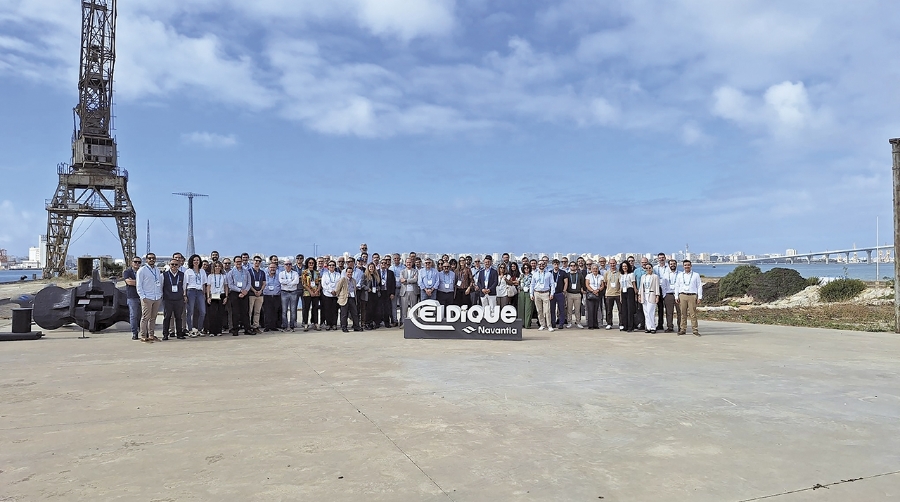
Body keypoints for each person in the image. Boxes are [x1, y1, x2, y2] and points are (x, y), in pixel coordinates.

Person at [136, 253, 162, 342]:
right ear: (146, 260)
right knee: (145, 317)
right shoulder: (142, 270)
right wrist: (142, 296)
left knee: (153, 317)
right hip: (147, 297)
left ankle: (151, 335)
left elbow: (159, 283)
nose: (152, 260)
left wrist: (159, 295)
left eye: (153, 258)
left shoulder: (157, 270)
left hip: (156, 297)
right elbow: (139, 285)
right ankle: (143, 335)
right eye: (150, 258)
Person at [226, 255, 253, 336]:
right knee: (235, 312)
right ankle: (235, 329)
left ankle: (247, 329)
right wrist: (240, 290)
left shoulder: (246, 272)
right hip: (235, 293)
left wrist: (245, 291)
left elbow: (249, 283)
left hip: (245, 293)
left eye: (240, 261)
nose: (239, 263)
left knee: (245, 312)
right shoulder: (231, 273)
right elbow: (230, 285)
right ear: (234, 263)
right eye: (237, 262)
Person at [675, 260, 703, 336]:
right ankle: (683, 329)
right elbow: (677, 286)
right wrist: (676, 296)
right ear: (683, 266)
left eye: (688, 265)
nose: (687, 266)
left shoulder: (696, 275)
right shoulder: (680, 275)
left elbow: (699, 286)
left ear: (691, 266)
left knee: (693, 314)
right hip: (682, 295)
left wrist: (699, 297)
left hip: (692, 295)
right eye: (685, 265)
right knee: (683, 314)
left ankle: (695, 330)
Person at [161, 259, 187, 340]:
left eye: (176, 264)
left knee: (178, 317)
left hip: (178, 299)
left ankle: (179, 334)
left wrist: (184, 296)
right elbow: (161, 287)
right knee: (167, 317)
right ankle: (165, 334)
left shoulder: (182, 275)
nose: (174, 266)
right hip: (168, 299)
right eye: (172, 264)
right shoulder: (164, 275)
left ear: (179, 265)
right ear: (169, 265)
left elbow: (184, 287)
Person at [184, 254, 207, 337]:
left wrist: (204, 294)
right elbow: (185, 284)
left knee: (203, 311)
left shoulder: (202, 271)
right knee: (190, 311)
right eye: (194, 260)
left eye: (197, 260)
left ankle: (200, 329)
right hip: (191, 291)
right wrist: (185, 295)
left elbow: (204, 284)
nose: (196, 262)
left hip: (200, 291)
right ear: (191, 262)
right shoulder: (188, 271)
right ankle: (190, 330)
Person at [529, 258, 555, 332]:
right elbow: (532, 284)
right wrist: (531, 294)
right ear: (537, 265)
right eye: (539, 264)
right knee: (539, 310)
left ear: (545, 265)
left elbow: (552, 284)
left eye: (542, 264)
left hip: (546, 293)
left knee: (547, 311)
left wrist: (552, 293)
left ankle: (549, 325)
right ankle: (542, 325)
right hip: (537, 293)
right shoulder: (535, 274)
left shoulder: (549, 274)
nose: (541, 265)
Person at [336, 265, 362, 332]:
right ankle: (344, 327)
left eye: (351, 272)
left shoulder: (353, 280)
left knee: (355, 313)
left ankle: (356, 326)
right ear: (346, 273)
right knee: (344, 314)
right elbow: (338, 288)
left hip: (352, 298)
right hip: (344, 298)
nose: (350, 274)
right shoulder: (343, 279)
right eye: (348, 272)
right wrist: (338, 296)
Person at [122, 255, 142, 340]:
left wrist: (135, 282)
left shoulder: (142, 271)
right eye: (135, 262)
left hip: (142, 296)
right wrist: (141, 282)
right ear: (131, 263)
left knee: (143, 316)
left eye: (139, 262)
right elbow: (129, 282)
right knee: (133, 315)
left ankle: (144, 332)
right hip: (132, 296)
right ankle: (135, 333)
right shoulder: (127, 272)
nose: (137, 263)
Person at [206, 261, 227, 336]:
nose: (217, 268)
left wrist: (226, 297)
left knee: (220, 313)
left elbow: (225, 286)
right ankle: (212, 331)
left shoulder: (224, 276)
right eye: (216, 266)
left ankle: (219, 330)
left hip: (221, 295)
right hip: (213, 295)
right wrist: (208, 297)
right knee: (212, 314)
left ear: (221, 267)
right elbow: (208, 286)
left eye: (219, 266)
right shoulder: (210, 276)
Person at [659, 259, 680, 333]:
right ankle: (670, 327)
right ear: (669, 265)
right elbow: (663, 286)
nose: (673, 265)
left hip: (678, 295)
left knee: (679, 312)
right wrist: (664, 295)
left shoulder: (680, 274)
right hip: (669, 295)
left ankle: (681, 327)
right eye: (671, 264)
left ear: (676, 264)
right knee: (669, 312)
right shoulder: (666, 274)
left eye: (674, 264)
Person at [320, 260, 341, 331]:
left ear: (335, 266)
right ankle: (328, 324)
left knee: (335, 310)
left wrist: (335, 291)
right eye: (330, 265)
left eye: (333, 265)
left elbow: (339, 284)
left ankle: (334, 324)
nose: (331, 266)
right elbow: (323, 284)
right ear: (328, 267)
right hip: (327, 294)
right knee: (327, 310)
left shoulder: (338, 274)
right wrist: (330, 290)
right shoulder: (325, 274)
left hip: (335, 294)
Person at [247, 255, 266, 334]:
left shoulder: (262, 272)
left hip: (260, 294)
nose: (257, 262)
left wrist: (261, 290)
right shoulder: (249, 271)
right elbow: (248, 283)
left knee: (257, 311)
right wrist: (254, 291)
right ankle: (248, 327)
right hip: (251, 294)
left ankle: (256, 326)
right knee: (249, 311)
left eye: (259, 261)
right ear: (253, 261)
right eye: (256, 261)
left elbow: (264, 283)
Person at [638, 262, 659, 333]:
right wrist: (640, 295)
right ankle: (648, 327)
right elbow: (641, 287)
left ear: (652, 269)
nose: (648, 269)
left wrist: (657, 296)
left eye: (649, 268)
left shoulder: (655, 276)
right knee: (646, 312)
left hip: (652, 294)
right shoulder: (643, 277)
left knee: (651, 311)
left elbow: (657, 287)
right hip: (644, 295)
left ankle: (653, 327)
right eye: (646, 268)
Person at [278, 259, 299, 331]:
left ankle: (292, 326)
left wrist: (287, 283)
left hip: (293, 292)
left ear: (291, 265)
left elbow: (296, 281)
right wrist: (291, 282)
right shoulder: (281, 273)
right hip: (284, 292)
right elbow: (281, 281)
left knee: (293, 310)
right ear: (284, 265)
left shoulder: (295, 273)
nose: (288, 266)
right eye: (286, 264)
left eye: (289, 264)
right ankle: (285, 325)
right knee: (284, 310)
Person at [301, 258, 321, 332]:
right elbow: (304, 283)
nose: (311, 264)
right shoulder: (304, 272)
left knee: (315, 308)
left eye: (312, 263)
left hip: (316, 292)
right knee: (306, 308)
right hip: (307, 293)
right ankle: (305, 323)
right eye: (309, 263)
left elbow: (319, 283)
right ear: (307, 264)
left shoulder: (317, 272)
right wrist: (310, 292)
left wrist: (317, 290)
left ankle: (315, 323)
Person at [376, 258, 397, 328]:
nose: (383, 265)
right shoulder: (377, 272)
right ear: (380, 264)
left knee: (387, 308)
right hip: (379, 292)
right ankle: (378, 323)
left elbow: (393, 284)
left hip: (387, 292)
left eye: (385, 263)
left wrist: (392, 293)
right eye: (382, 263)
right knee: (379, 308)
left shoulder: (390, 273)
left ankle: (387, 323)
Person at [262, 261, 282, 332]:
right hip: (267, 295)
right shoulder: (264, 275)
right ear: (268, 268)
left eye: (274, 267)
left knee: (275, 311)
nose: (272, 269)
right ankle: (267, 326)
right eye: (271, 267)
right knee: (267, 312)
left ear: (276, 268)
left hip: (276, 296)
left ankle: (273, 326)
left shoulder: (279, 275)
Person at [619, 261, 637, 332]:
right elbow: (620, 286)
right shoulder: (621, 275)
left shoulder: (631, 274)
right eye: (623, 266)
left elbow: (633, 284)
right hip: (623, 291)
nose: (624, 268)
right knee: (624, 309)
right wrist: (620, 296)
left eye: (626, 266)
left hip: (630, 290)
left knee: (630, 309)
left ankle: (630, 326)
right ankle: (625, 325)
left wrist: (636, 294)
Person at [565, 261, 584, 328]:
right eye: (571, 265)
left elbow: (582, 283)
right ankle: (569, 322)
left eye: (574, 265)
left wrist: (582, 290)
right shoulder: (567, 274)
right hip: (569, 294)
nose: (573, 267)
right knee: (569, 309)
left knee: (577, 309)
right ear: (569, 267)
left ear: (576, 266)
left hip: (577, 294)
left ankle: (578, 322)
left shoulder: (579, 274)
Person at [399, 257, 418, 323]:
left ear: (412, 263)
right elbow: (401, 280)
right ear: (405, 263)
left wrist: (406, 280)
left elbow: (415, 280)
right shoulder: (402, 271)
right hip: (404, 291)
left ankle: (414, 322)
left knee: (414, 308)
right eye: (407, 262)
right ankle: (404, 323)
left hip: (413, 291)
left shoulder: (415, 271)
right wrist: (411, 280)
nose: (408, 264)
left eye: (410, 262)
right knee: (404, 308)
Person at [604, 258, 622, 330]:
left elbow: (621, 283)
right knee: (608, 310)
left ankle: (621, 323)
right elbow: (605, 283)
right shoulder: (607, 273)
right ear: (609, 264)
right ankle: (609, 323)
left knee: (620, 310)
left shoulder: (620, 273)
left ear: (616, 263)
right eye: (611, 263)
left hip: (618, 294)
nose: (612, 265)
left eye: (613, 263)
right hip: (609, 294)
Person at [550, 259, 568, 329]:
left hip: (560, 293)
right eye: (555, 264)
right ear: (552, 265)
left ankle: (561, 323)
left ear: (559, 265)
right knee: (552, 309)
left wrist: (564, 291)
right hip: (552, 294)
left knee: (561, 309)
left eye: (557, 264)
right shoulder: (550, 273)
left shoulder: (563, 272)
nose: (556, 266)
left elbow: (566, 282)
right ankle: (553, 323)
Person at [584, 264, 604, 329]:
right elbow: (587, 285)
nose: (595, 270)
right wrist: (593, 291)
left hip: (598, 293)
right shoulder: (588, 276)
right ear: (591, 269)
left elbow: (602, 285)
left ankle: (596, 324)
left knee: (596, 309)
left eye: (596, 268)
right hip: (590, 293)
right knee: (590, 309)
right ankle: (590, 325)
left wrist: (598, 290)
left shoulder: (600, 276)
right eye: (594, 268)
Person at [364, 262, 379, 329]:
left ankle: (373, 323)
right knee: (368, 310)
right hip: (368, 295)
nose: (371, 268)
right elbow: (362, 284)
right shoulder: (365, 275)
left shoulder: (376, 275)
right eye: (370, 267)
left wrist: (378, 288)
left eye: (372, 267)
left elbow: (378, 284)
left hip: (375, 294)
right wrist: (367, 288)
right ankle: (367, 323)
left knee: (374, 309)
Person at [518, 263, 534, 328]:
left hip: (529, 292)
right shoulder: (521, 276)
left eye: (527, 268)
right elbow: (518, 283)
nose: (526, 269)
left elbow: (534, 285)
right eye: (525, 268)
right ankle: (521, 324)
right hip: (522, 292)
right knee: (521, 308)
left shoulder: (532, 276)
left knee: (528, 308)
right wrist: (519, 288)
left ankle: (527, 324)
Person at [390, 253, 404, 326]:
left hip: (402, 288)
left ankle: (402, 320)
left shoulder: (403, 267)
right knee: (394, 306)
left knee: (402, 305)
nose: (396, 260)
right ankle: (394, 320)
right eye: (395, 258)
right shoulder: (390, 268)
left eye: (397, 258)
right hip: (394, 289)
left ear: (400, 259)